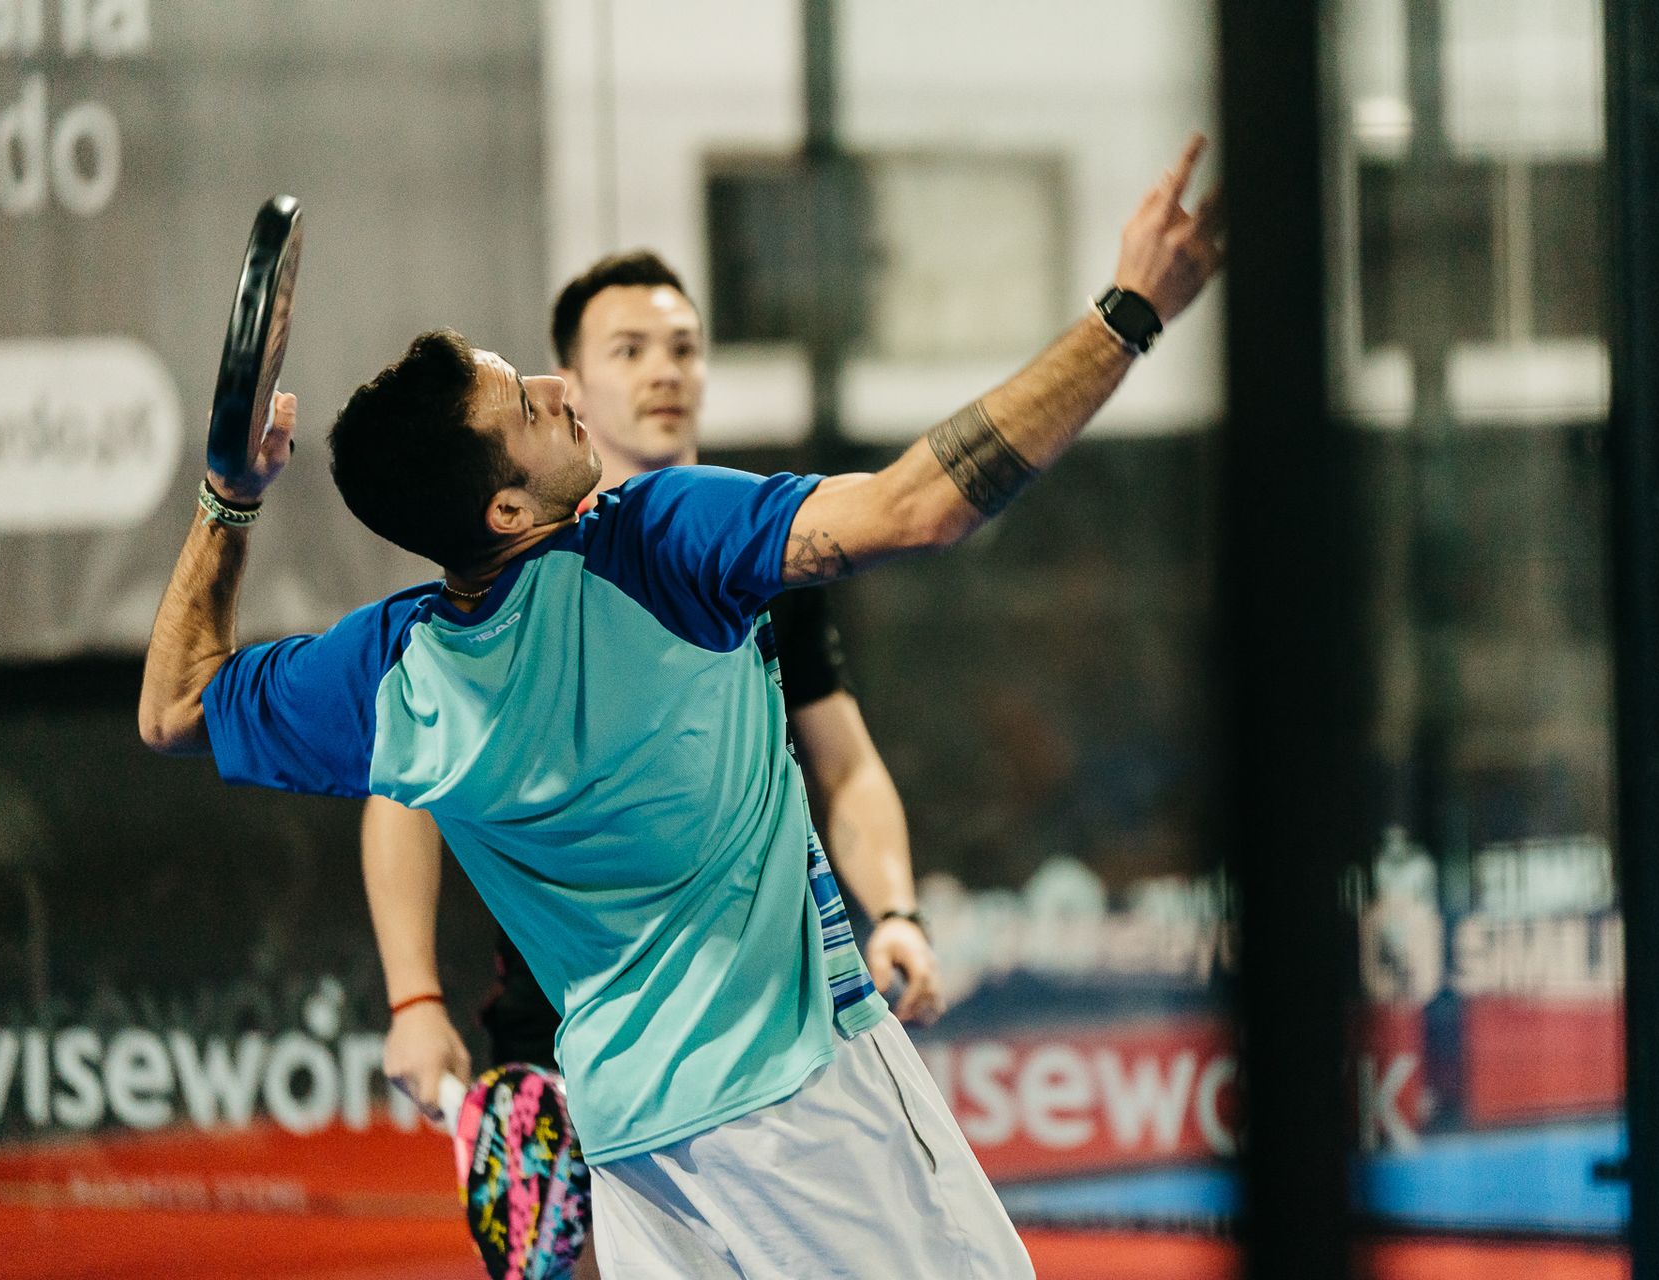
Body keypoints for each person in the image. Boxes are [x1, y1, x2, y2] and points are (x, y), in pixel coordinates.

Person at [139, 135, 1221, 1278]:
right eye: (526, 400)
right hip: (807, 1103)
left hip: (633, 1149)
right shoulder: (654, 543)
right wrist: (1128, 314)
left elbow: (173, 704)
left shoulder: (389, 671)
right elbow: (922, 506)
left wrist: (229, 496)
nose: (557, 390)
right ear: (506, 508)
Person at [364, 250, 943, 1278]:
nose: (666, 370)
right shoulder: (495, 592)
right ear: (572, 387)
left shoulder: (752, 545)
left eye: (683, 347)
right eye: (629, 350)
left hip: (754, 1034)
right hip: (569, 1038)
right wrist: (414, 999)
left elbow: (844, 764)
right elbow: (402, 792)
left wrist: (894, 908)